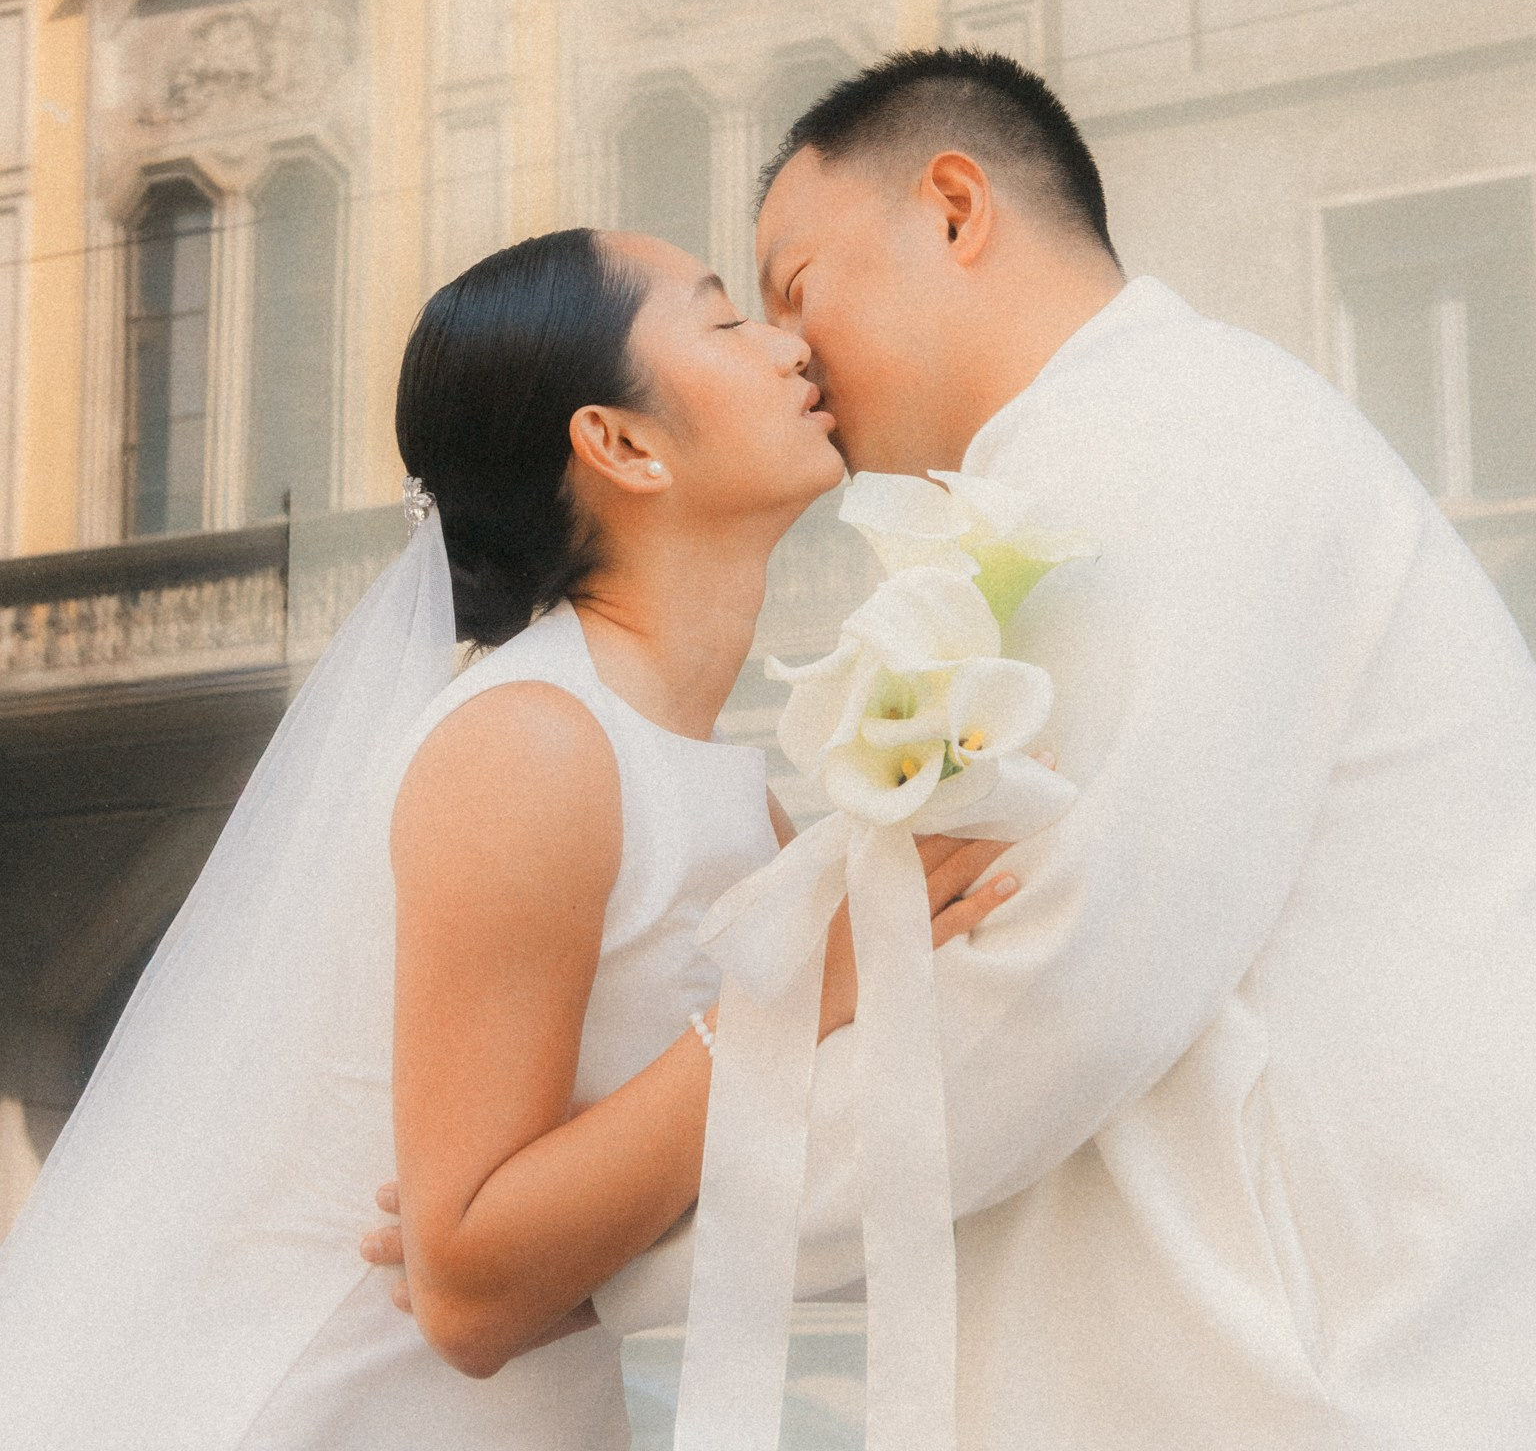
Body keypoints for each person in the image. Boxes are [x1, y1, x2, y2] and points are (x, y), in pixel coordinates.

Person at [579, 49, 1536, 1448]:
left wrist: (599, 1255)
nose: (792, 356)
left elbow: (1045, 998)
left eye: (797, 289)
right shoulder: (1122, 450)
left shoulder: (1166, 450)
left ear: (953, 208)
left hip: (1362, 1373)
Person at [0, 225, 1015, 1450]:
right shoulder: (528, 743)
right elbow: (473, 1289)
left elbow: (611, 1218)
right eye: (722, 319)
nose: (789, 342)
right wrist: (798, 994)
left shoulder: (739, 799)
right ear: (622, 443)